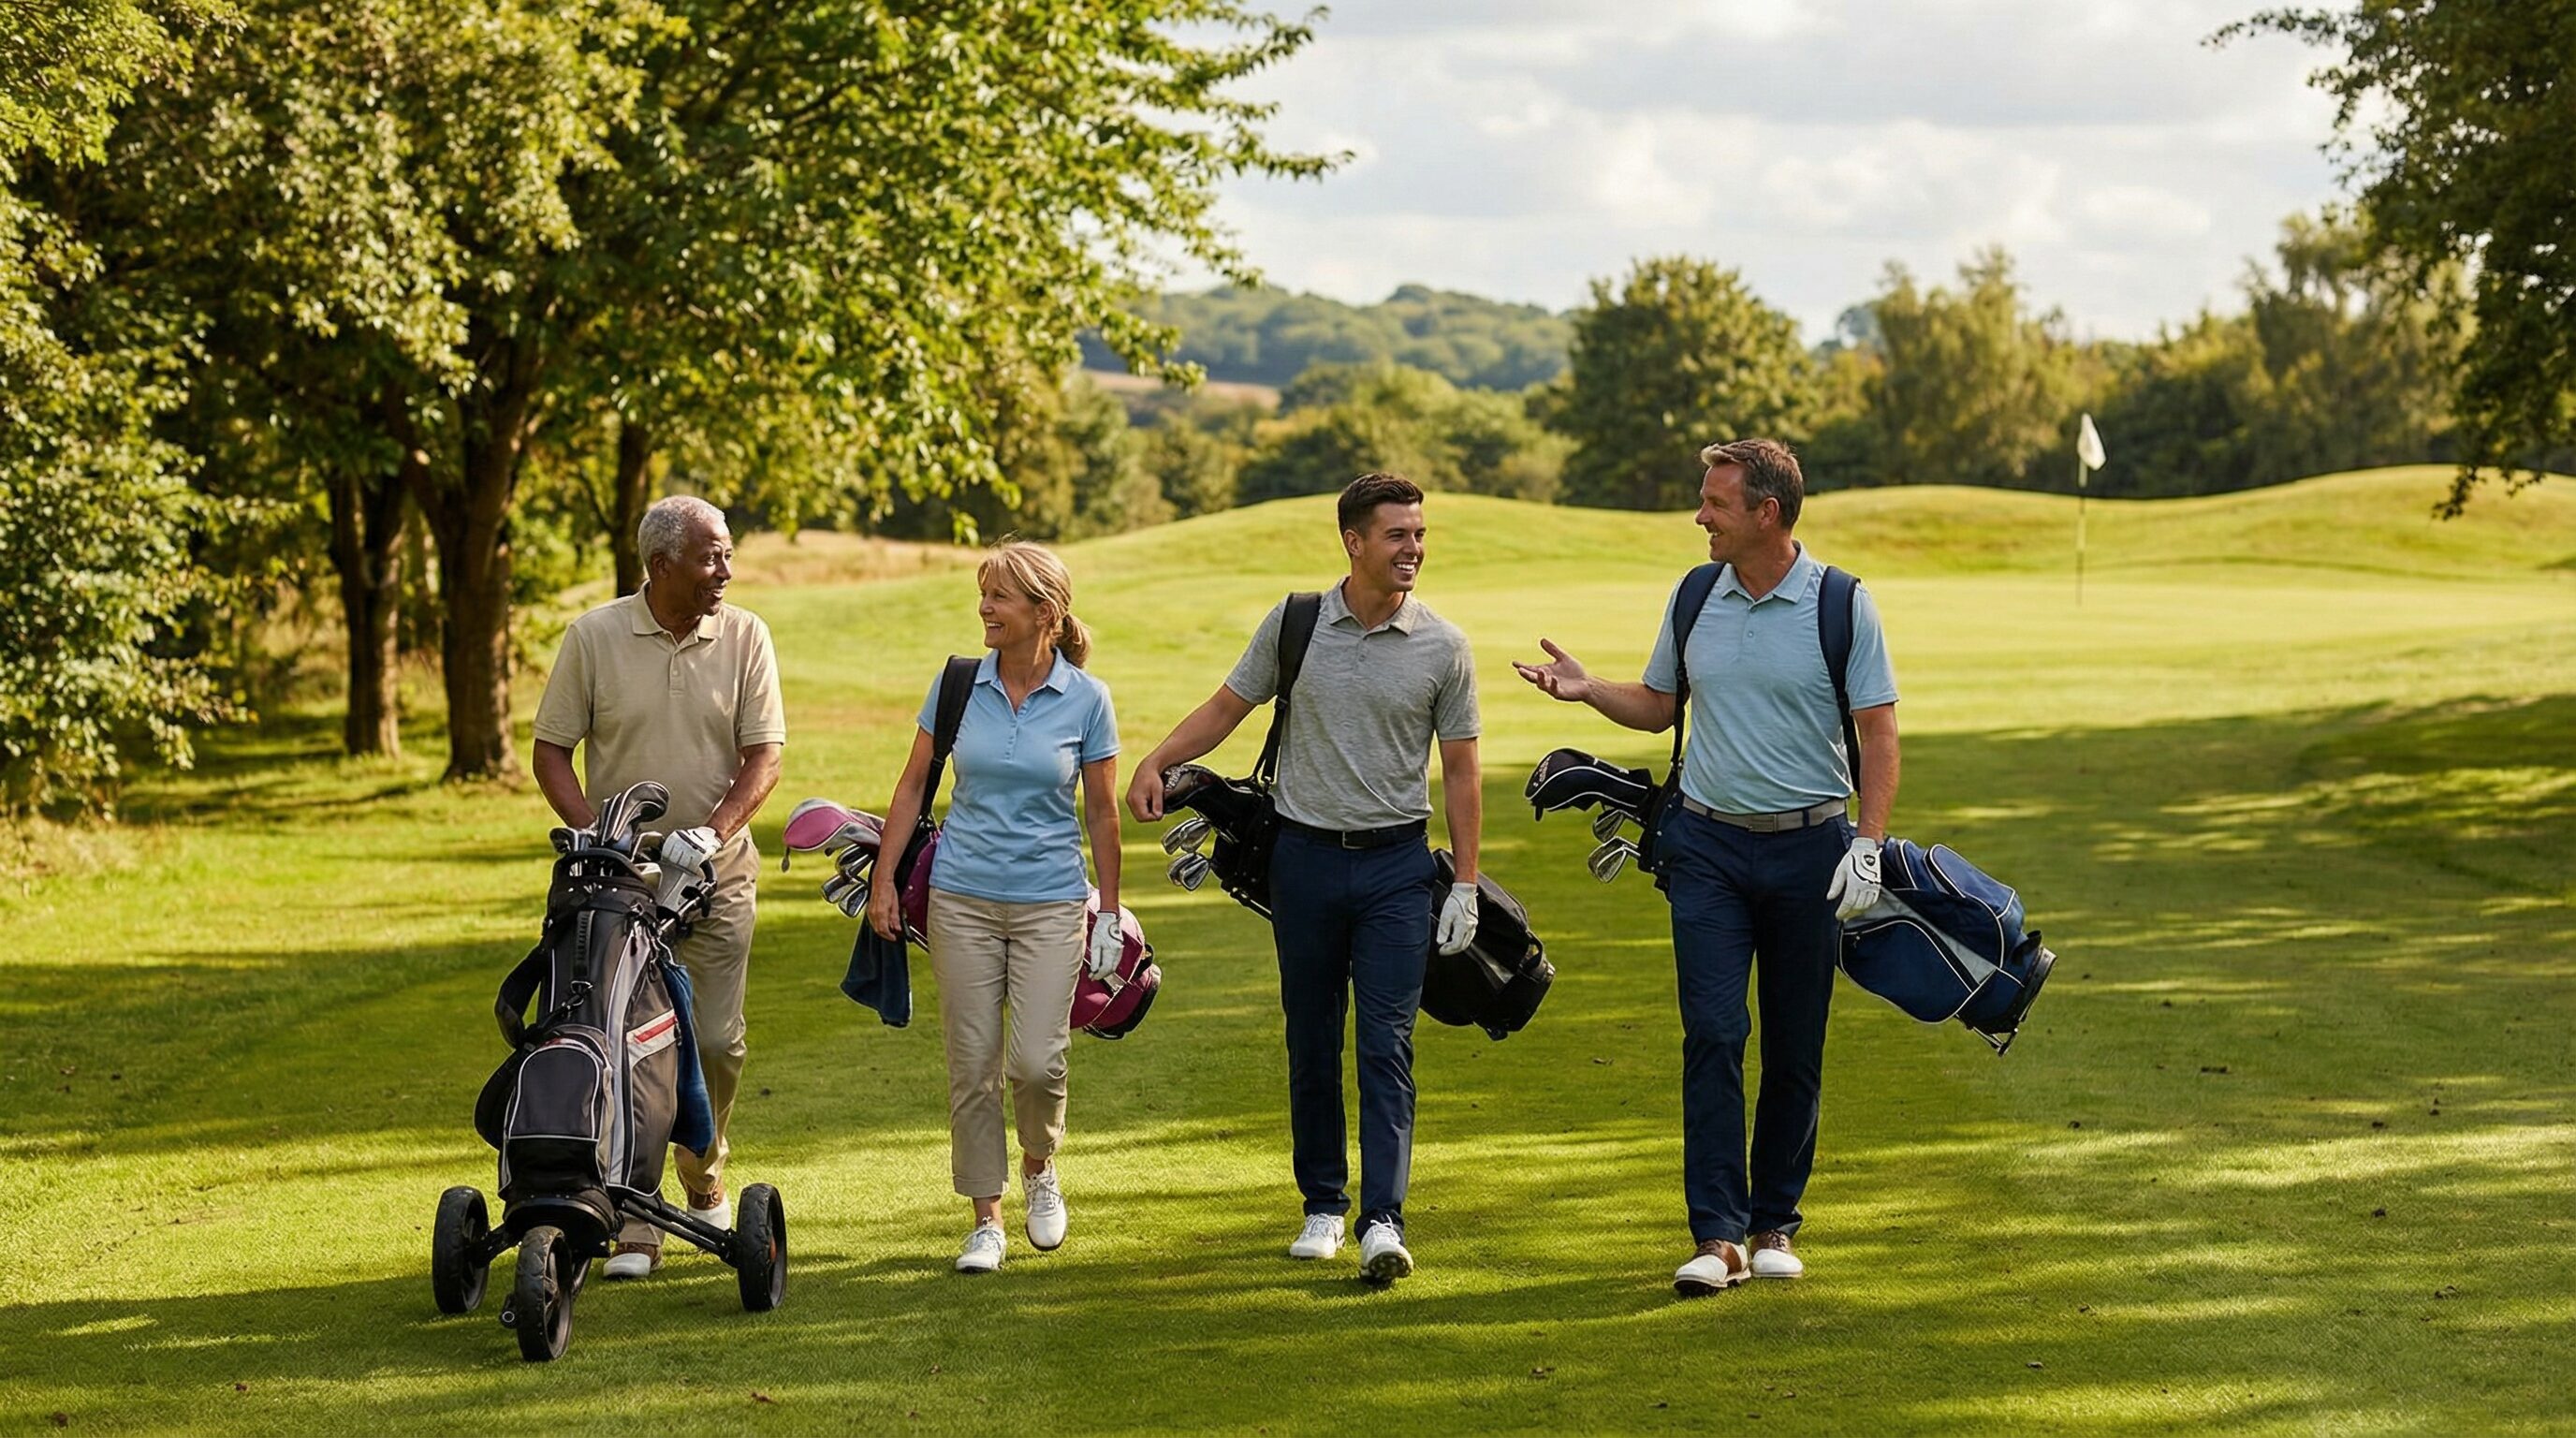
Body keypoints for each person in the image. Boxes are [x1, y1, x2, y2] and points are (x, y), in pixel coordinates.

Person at [1514, 438, 1900, 1296]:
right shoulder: (1695, 595)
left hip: (1813, 850)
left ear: (1767, 512)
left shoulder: (1841, 604)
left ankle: (1774, 1224)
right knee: (1716, 1034)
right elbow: (1658, 708)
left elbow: (1878, 731)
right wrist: (1589, 690)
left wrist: (1867, 844)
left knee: (1796, 1044)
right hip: (1709, 850)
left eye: (1715, 503)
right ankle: (1718, 1236)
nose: (1699, 516)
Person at [1127, 473, 1483, 1285]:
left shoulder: (1443, 645)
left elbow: (1461, 771)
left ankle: (1383, 1220)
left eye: (1420, 535)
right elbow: (1227, 707)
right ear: (1353, 542)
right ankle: (1322, 1204)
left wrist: (1463, 882)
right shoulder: (1294, 625)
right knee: (1312, 1036)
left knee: (1385, 1041)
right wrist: (1158, 758)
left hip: (1397, 867)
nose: (1414, 550)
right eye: (1397, 536)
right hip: (1305, 862)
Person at [532, 494, 786, 1280]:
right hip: (618, 889)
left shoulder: (745, 634)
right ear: (661, 563)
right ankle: (638, 1220)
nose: (726, 570)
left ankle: (703, 1172)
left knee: (711, 1041)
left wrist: (712, 829)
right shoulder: (595, 637)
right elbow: (551, 754)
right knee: (621, 1043)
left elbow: (764, 755)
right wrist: (604, 840)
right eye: (711, 556)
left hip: (716, 876)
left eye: (728, 554)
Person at [870, 541, 1124, 1275]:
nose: (985, 608)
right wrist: (885, 880)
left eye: (1000, 597)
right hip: (962, 902)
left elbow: (1103, 815)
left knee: (1038, 1062)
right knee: (972, 1064)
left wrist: (1109, 912)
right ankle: (985, 1216)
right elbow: (913, 783)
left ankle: (1040, 1168)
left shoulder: (1087, 698)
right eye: (984, 594)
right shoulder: (957, 685)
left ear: (1044, 613)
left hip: (1050, 903)